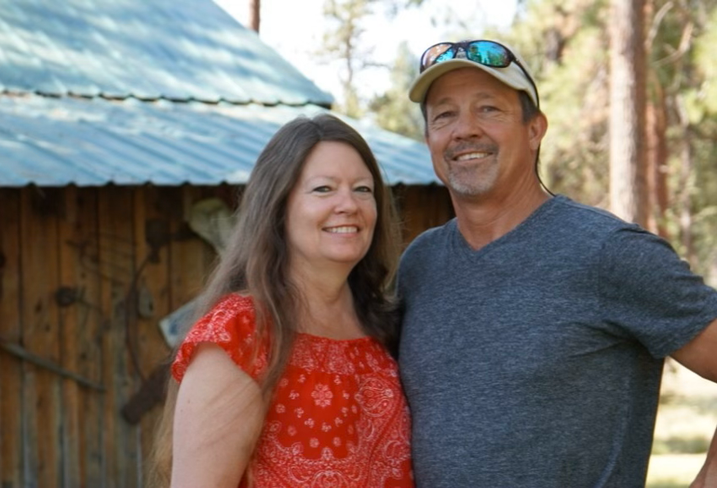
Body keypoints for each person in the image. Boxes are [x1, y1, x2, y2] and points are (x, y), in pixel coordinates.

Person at [397, 39, 717, 487]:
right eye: (444, 115)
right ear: (430, 140)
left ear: (534, 130)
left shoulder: (607, 253)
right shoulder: (419, 265)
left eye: (489, 109)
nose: (464, 129)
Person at [148, 113, 413, 487]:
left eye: (362, 189)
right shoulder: (241, 332)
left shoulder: (384, 325)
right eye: (324, 189)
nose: (348, 204)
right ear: (278, 206)